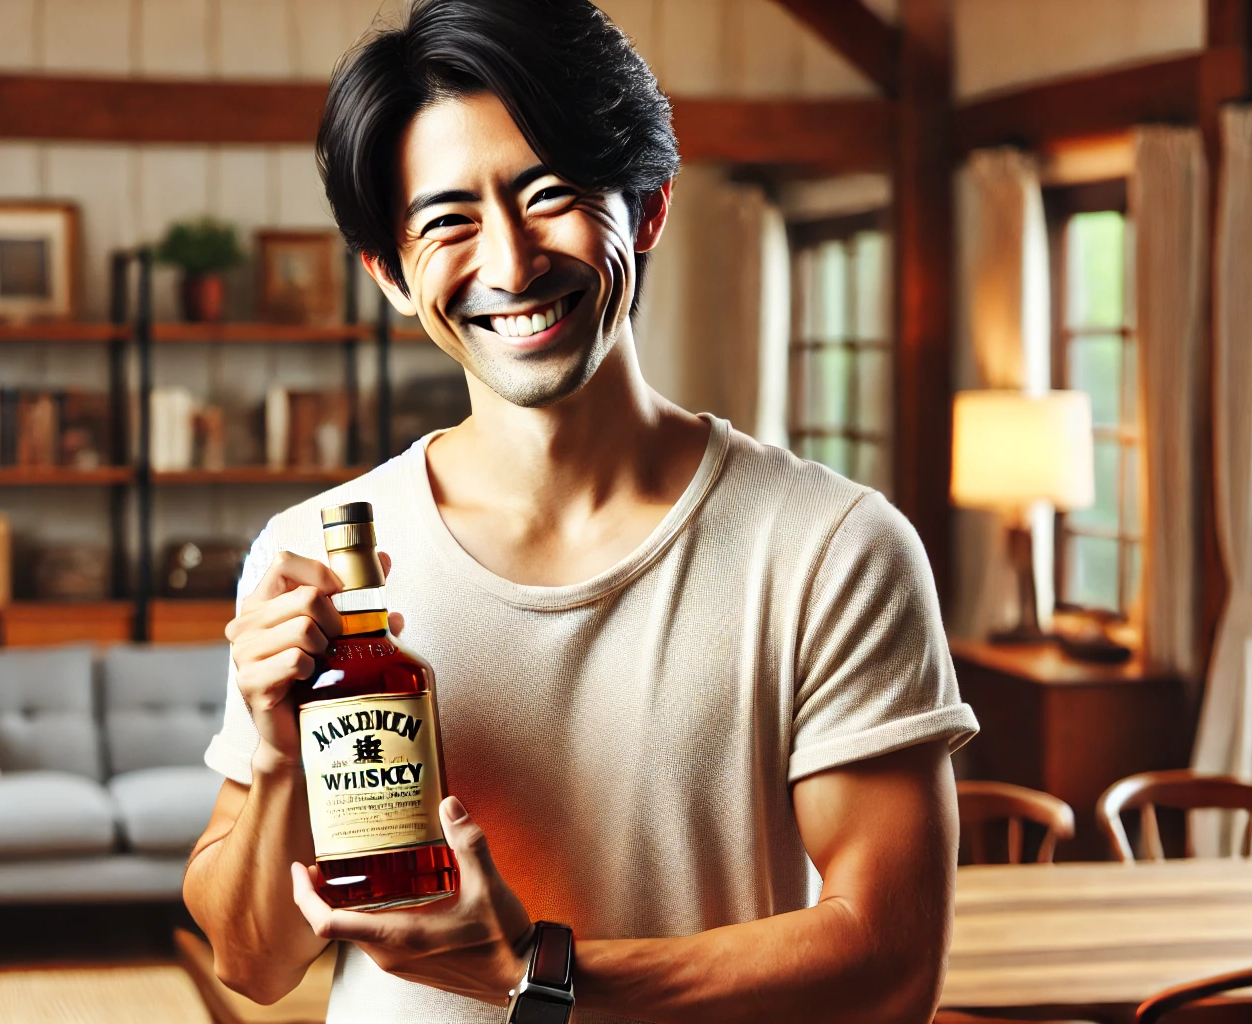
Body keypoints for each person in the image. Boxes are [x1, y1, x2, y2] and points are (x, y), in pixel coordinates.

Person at [182, 1, 979, 1021]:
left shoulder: (832, 548)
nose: (509, 264)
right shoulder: (316, 556)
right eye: (447, 222)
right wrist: (278, 752)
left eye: (549, 195)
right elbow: (253, 961)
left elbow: (892, 960)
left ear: (646, 209)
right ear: (387, 273)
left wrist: (534, 970)